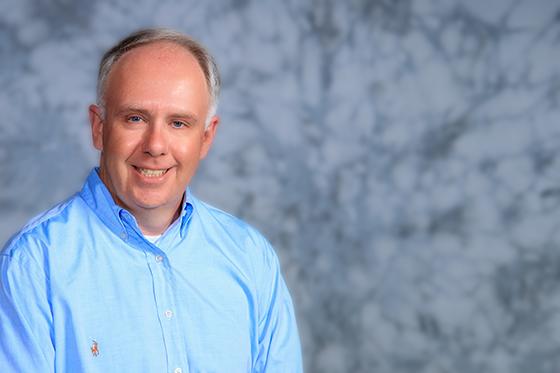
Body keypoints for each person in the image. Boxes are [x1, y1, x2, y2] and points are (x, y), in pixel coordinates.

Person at [0, 28, 303, 372]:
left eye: (178, 123)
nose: (155, 145)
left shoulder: (251, 259)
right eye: (135, 118)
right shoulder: (33, 265)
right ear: (99, 127)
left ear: (206, 138)